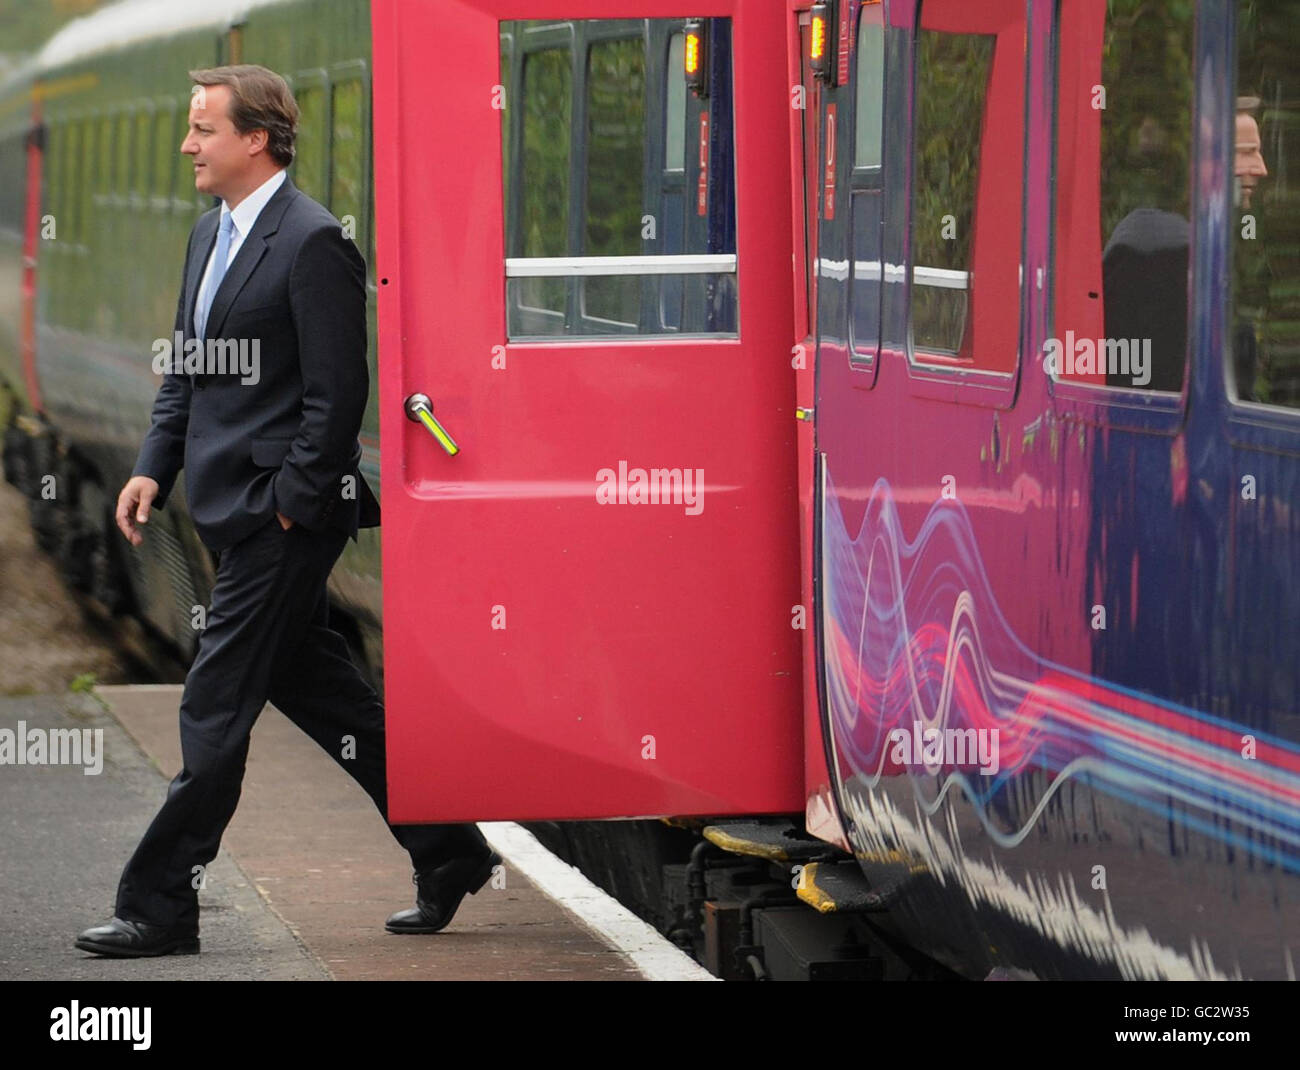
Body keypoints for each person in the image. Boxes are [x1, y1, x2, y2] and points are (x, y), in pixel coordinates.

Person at [75, 65, 499, 958]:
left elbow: (339, 395)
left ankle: (159, 905)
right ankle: (451, 850)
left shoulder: (313, 244)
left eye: (202, 130)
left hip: (283, 521)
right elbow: (188, 371)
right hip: (234, 510)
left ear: (255, 139)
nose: (188, 145)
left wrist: (291, 510)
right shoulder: (207, 237)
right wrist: (155, 466)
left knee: (214, 705)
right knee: (328, 696)